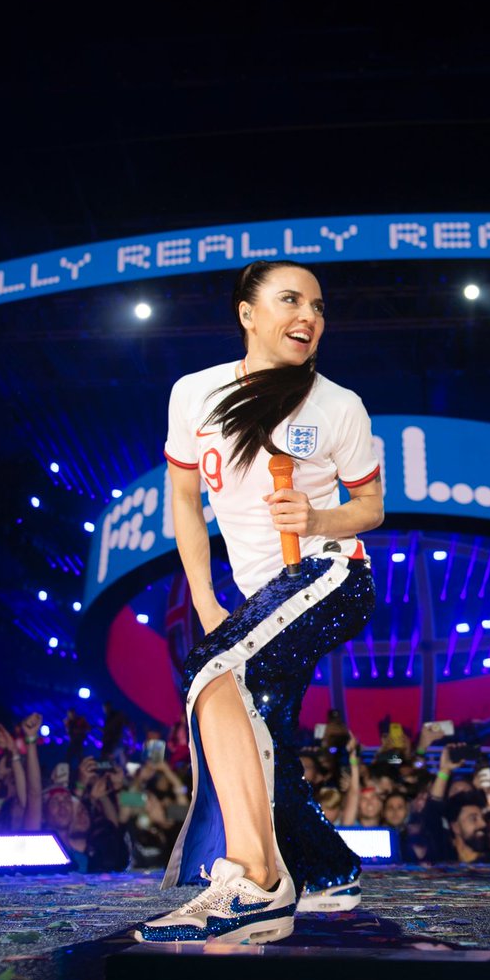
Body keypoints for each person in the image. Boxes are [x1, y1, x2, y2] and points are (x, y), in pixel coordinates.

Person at [138, 260, 383, 944]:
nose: (309, 315)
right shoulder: (195, 393)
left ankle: (258, 880)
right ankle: (328, 871)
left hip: (331, 578)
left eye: (319, 306)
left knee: (213, 677)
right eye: (290, 301)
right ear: (247, 313)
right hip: (259, 598)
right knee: (263, 724)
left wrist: (316, 519)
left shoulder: (338, 405)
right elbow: (184, 502)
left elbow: (371, 509)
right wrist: (204, 599)